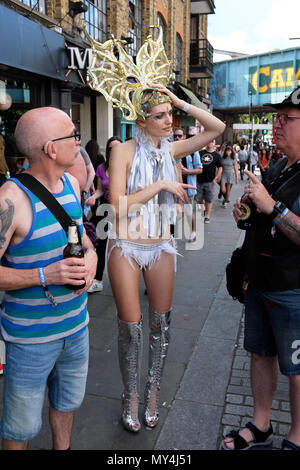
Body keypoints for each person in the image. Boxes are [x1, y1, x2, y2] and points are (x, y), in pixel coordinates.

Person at [0, 107, 97, 450]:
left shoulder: (71, 184)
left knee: (67, 405)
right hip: (30, 341)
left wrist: (93, 258)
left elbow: (80, 237)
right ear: (51, 149)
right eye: (71, 134)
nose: (77, 140)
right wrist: (45, 274)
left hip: (76, 328)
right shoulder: (10, 200)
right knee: (19, 428)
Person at [223, 86, 300, 451]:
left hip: (293, 289)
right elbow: (263, 217)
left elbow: (280, 215)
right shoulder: (280, 165)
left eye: (287, 118)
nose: (277, 124)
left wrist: (272, 208)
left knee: (297, 368)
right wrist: (247, 214)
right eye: (276, 117)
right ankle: (262, 423)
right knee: (260, 353)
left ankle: (297, 436)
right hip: (260, 282)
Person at [85, 136, 122, 293]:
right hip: (106, 210)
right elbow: (101, 189)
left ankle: (130, 279)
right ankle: (98, 280)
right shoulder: (102, 167)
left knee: (123, 247)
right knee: (98, 243)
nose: (115, 151)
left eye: (118, 147)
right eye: (111, 148)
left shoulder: (129, 166)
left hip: (125, 209)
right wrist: (93, 197)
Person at [175, 129, 203, 241]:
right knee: (172, 211)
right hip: (174, 187)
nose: (177, 137)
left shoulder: (192, 152)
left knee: (187, 211)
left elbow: (200, 169)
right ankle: (169, 235)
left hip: (188, 188)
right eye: (175, 135)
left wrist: (187, 171)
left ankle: (193, 232)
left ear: (184, 136)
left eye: (179, 135)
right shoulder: (172, 151)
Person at [196, 140, 222, 223]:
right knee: (198, 198)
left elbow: (220, 167)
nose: (209, 143)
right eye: (209, 141)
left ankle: (207, 216)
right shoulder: (200, 153)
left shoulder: (216, 155)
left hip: (210, 180)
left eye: (212, 142)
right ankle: (201, 211)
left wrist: (216, 178)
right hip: (199, 179)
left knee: (209, 199)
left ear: (214, 143)